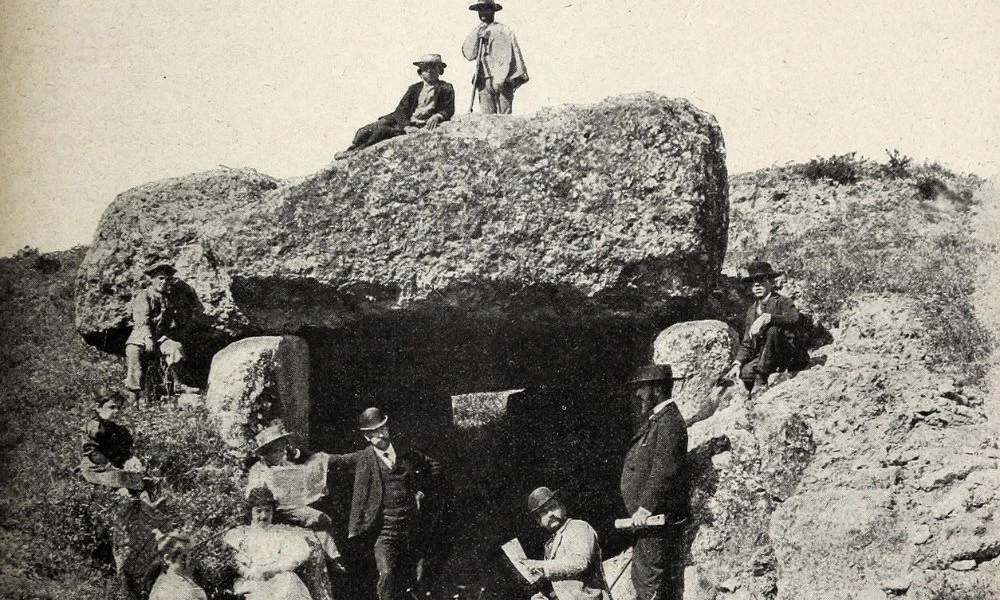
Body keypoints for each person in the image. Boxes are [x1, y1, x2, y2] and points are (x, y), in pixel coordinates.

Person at [325, 407, 442, 600]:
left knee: (419, 576)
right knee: (386, 575)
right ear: (366, 437)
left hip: (412, 528)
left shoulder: (406, 452)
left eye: (383, 428)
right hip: (385, 532)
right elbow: (333, 460)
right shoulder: (363, 458)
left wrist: (422, 490)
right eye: (375, 433)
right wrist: (297, 454)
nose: (381, 434)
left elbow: (434, 466)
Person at [620, 364, 689, 600]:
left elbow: (664, 469)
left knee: (650, 585)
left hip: (655, 520)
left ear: (657, 389)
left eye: (641, 388)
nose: (638, 394)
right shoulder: (657, 420)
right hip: (647, 522)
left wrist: (645, 506)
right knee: (645, 581)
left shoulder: (669, 422)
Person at [245, 421, 346, 572]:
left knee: (322, 519)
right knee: (315, 518)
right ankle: (332, 558)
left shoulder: (286, 465)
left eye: (282, 450)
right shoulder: (258, 470)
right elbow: (251, 496)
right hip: (272, 510)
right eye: (276, 451)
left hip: (291, 506)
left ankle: (333, 557)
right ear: (266, 453)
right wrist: (269, 494)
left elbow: (301, 486)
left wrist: (317, 489)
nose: (281, 454)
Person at [340, 54, 455, 155]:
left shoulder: (446, 88)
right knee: (366, 130)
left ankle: (359, 151)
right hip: (404, 122)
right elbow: (401, 110)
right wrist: (406, 126)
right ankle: (352, 147)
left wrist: (438, 116)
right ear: (420, 72)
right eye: (426, 68)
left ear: (440, 70)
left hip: (420, 125)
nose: (430, 71)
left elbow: (449, 108)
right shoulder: (414, 89)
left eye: (434, 67)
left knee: (381, 131)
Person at [724, 260, 810, 392]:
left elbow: (794, 318)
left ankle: (762, 377)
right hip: (765, 356)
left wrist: (769, 318)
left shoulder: (783, 301)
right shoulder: (751, 310)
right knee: (744, 373)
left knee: (773, 329)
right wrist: (737, 363)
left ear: (771, 282)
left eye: (761, 280)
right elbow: (747, 342)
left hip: (786, 353)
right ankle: (761, 373)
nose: (757, 285)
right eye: (753, 282)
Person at [224, 486, 318, 600]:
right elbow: (234, 560)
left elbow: (294, 557)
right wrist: (249, 573)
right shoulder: (241, 533)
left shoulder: (280, 533)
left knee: (289, 584)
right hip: (251, 580)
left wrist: (273, 569)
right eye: (258, 511)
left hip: (277, 578)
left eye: (268, 510)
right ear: (251, 511)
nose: (264, 516)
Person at [123, 260, 197, 404]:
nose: (164, 282)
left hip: (160, 338)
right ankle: (133, 391)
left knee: (175, 347)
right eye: (160, 278)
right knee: (133, 350)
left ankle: (179, 385)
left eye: (167, 279)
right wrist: (147, 337)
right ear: (152, 280)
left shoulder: (169, 298)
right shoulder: (144, 296)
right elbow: (141, 319)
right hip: (141, 337)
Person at [519, 487, 612, 600]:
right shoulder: (549, 545)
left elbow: (580, 562)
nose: (550, 514)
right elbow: (560, 582)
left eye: (553, 507)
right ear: (539, 521)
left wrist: (540, 565)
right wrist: (543, 595)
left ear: (562, 508)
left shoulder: (578, 527)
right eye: (543, 512)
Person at [79, 388, 161, 508]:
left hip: (114, 468)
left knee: (141, 480)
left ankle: (148, 506)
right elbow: (93, 453)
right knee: (122, 486)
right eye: (112, 407)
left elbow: (125, 451)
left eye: (119, 408)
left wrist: (131, 460)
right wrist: (112, 467)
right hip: (96, 469)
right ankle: (136, 511)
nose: (116, 411)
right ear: (98, 407)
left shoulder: (119, 430)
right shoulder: (93, 427)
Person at [461, 1, 529, 114]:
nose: (482, 13)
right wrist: (477, 35)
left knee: (504, 117)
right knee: (487, 117)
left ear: (493, 11)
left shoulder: (503, 30)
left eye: (486, 9)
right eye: (480, 10)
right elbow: (469, 54)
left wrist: (501, 79)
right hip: (484, 79)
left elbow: (508, 56)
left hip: (503, 79)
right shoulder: (478, 30)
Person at [149, 530, 207, 600]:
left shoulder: (184, 580)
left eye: (190, 556)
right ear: (167, 559)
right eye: (183, 558)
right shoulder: (165, 589)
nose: (188, 562)